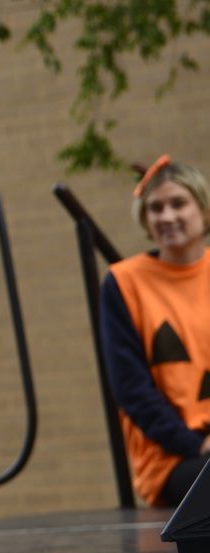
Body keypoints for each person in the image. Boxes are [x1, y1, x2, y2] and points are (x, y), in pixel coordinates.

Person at [99, 155, 210, 507]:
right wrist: (196, 444)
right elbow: (131, 389)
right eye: (155, 208)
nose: (167, 216)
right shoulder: (123, 283)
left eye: (178, 203)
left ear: (203, 211)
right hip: (174, 457)